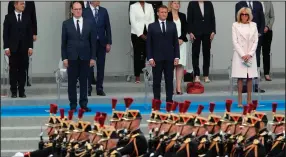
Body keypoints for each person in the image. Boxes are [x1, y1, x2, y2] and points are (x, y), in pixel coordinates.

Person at [61, 1, 96, 112]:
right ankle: (73, 105)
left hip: (85, 57)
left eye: (79, 9)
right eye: (75, 9)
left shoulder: (89, 23)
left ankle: (83, 104)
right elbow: (64, 43)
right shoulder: (66, 24)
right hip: (71, 58)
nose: (78, 11)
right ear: (72, 10)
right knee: (71, 83)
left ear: (82, 10)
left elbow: (93, 42)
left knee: (84, 82)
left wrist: (92, 57)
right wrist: (64, 58)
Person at [146, 5, 180, 103]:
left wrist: (177, 56)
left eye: (165, 12)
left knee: (169, 81)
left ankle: (169, 102)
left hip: (170, 58)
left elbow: (175, 42)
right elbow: (149, 44)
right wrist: (150, 58)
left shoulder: (172, 25)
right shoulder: (152, 26)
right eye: (162, 12)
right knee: (156, 81)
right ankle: (156, 102)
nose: (164, 14)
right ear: (157, 13)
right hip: (156, 59)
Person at [3, 1, 33, 98]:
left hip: (24, 49)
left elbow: (30, 33)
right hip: (13, 49)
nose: (23, 5)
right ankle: (14, 91)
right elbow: (5, 34)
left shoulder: (27, 17)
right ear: (15, 5)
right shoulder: (8, 17)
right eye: (21, 3)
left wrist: (30, 47)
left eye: (24, 4)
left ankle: (21, 91)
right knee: (13, 71)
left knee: (23, 70)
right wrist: (6, 47)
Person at [235, 1, 265, 93]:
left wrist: (259, 33)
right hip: (243, 40)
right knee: (243, 61)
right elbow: (238, 21)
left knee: (255, 61)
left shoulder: (258, 3)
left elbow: (262, 20)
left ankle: (255, 85)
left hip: (255, 37)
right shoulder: (239, 4)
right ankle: (244, 86)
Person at [83, 1, 111, 96]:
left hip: (102, 43)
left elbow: (108, 27)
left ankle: (99, 88)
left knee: (101, 66)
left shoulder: (104, 11)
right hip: (89, 43)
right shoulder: (85, 11)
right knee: (89, 66)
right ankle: (88, 88)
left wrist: (108, 42)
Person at [231, 7, 258, 108]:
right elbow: (235, 41)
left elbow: (256, 41)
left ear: (249, 16)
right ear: (239, 15)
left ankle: (249, 100)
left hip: (250, 54)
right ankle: (239, 101)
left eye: (246, 14)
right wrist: (243, 54)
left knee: (250, 77)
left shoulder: (254, 25)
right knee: (240, 78)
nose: (244, 16)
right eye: (242, 14)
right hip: (240, 55)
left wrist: (250, 54)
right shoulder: (235, 25)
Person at [8, 1, 37, 87]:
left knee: (25, 60)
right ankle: (15, 80)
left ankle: (25, 79)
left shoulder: (31, 3)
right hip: (14, 37)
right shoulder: (11, 2)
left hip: (26, 34)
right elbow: (10, 18)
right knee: (14, 62)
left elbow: (33, 18)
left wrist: (34, 33)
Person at [187, 0, 216, 83]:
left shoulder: (209, 3)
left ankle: (206, 75)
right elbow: (189, 18)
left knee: (206, 53)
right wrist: (190, 32)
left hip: (207, 32)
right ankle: (196, 75)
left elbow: (212, 17)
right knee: (195, 53)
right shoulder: (192, 3)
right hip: (196, 32)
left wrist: (213, 31)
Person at [130, 1, 155, 83]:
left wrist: (150, 33)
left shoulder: (150, 5)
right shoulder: (133, 6)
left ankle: (149, 75)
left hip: (149, 32)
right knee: (137, 55)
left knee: (148, 54)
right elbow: (132, 21)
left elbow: (152, 19)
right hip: (136, 34)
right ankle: (137, 76)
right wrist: (140, 34)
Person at [167, 1, 188, 95]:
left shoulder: (182, 15)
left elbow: (185, 29)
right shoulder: (167, 15)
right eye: (175, 3)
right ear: (171, 4)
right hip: (170, 44)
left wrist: (182, 39)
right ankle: (170, 88)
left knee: (180, 65)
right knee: (170, 65)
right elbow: (166, 29)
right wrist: (174, 40)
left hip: (181, 43)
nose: (177, 5)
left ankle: (178, 88)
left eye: (178, 3)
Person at [261, 1, 275, 81]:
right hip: (256, 31)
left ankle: (266, 73)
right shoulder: (255, 2)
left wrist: (268, 27)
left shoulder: (269, 2)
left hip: (267, 31)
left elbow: (272, 17)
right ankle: (256, 74)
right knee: (255, 53)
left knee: (266, 53)